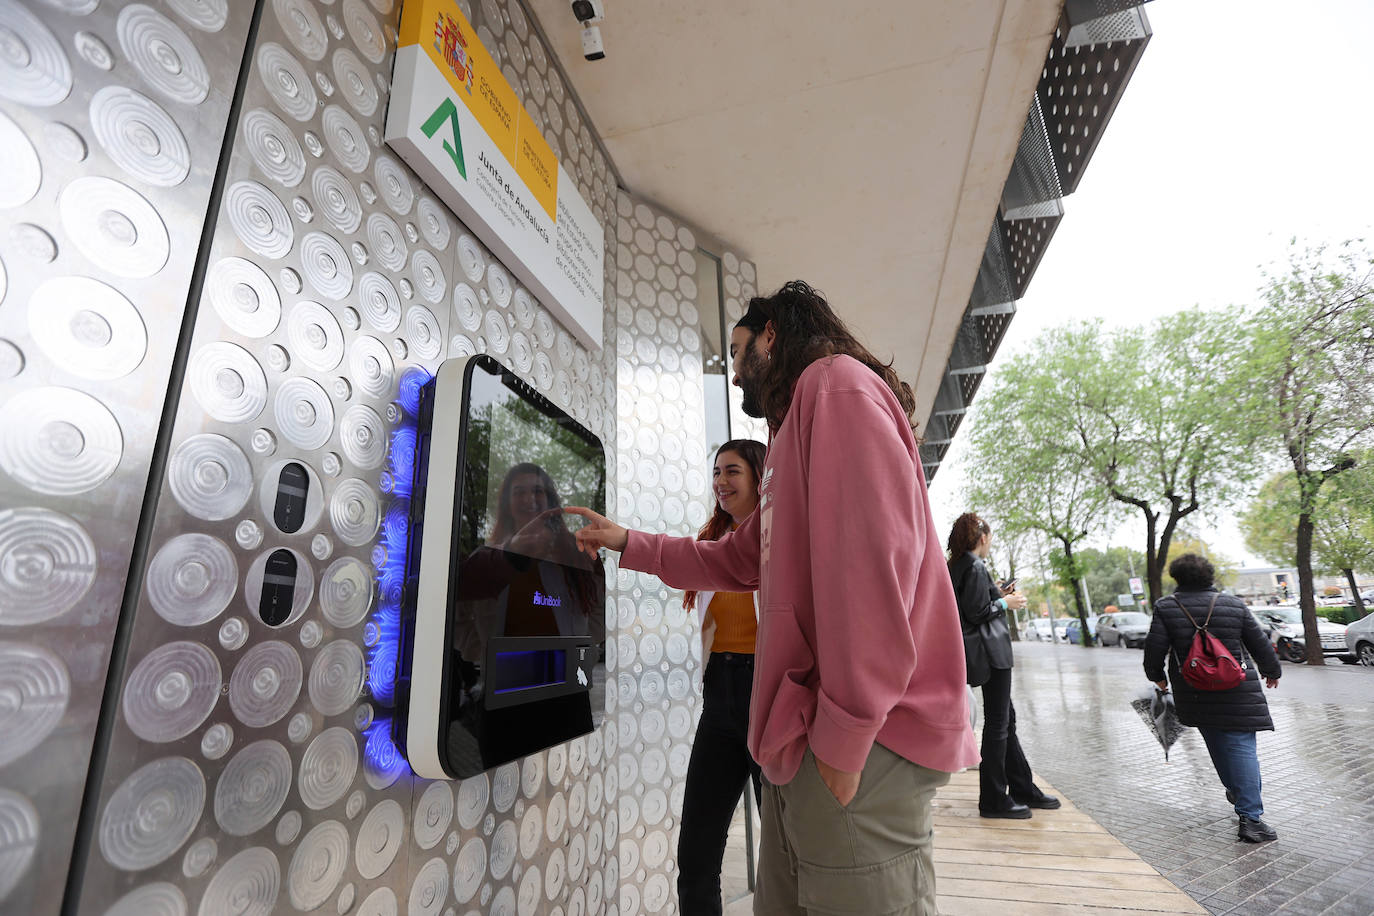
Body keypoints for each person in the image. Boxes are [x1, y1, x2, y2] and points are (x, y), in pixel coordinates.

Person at [567, 281, 977, 916]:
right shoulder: (795, 433)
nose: (735, 377)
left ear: (773, 335)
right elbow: (733, 558)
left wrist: (846, 733)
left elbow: (872, 567)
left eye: (737, 353)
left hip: (862, 744)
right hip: (807, 743)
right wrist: (628, 541)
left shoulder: (835, 387)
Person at [677, 439, 767, 915]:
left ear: (759, 476)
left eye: (732, 471)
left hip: (769, 698)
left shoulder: (780, 538)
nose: (720, 481)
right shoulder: (712, 544)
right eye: (716, 472)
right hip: (720, 698)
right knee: (695, 855)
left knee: (785, 851)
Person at [1143, 553, 1282, 843]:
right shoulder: (1232, 603)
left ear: (1177, 578)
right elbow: (1258, 641)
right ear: (1210, 576)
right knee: (1242, 746)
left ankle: (1238, 790)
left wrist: (1156, 675)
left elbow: (1155, 647)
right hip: (1237, 687)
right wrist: (1271, 670)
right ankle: (1251, 818)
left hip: (1193, 689)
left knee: (1217, 741)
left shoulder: (1167, 607)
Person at [946, 513, 1060, 819]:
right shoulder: (973, 565)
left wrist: (996, 593)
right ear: (983, 538)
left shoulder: (956, 565)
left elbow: (968, 607)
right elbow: (978, 611)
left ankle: (1023, 788)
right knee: (999, 724)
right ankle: (993, 799)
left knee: (1005, 720)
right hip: (991, 652)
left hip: (981, 651)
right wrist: (1004, 603)